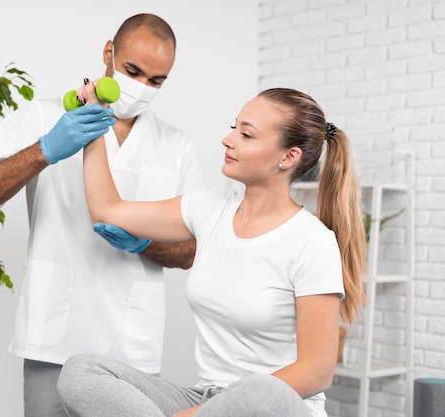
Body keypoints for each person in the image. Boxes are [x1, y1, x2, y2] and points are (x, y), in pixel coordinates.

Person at [57, 87, 367, 417]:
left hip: (275, 406)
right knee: (81, 371)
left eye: (246, 134)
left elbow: (317, 372)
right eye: (234, 127)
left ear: (288, 157)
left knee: (260, 389)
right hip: (205, 399)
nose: (228, 139)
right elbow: (107, 209)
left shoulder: (311, 242)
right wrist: (92, 127)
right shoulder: (208, 209)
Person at [0, 13, 205, 417]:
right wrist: (45, 149)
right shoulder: (43, 116)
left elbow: (193, 250)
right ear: (109, 52)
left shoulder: (176, 146)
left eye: (156, 80)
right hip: (54, 338)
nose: (142, 87)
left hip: (131, 352)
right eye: (133, 71)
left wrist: (146, 244)